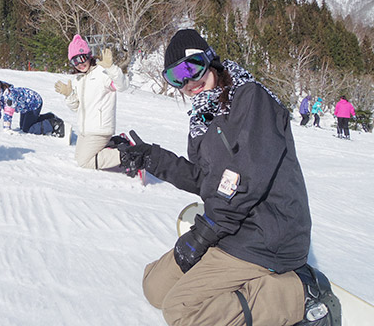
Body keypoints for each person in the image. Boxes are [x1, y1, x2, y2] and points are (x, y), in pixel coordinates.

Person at [117, 29, 339, 326]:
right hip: (230, 229)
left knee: (180, 312)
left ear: (210, 59)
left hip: (266, 235)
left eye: (191, 68)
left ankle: (299, 296)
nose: (187, 83)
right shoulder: (204, 116)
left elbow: (246, 177)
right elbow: (203, 179)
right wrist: (151, 157)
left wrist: (204, 232)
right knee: (155, 287)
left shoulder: (251, 98)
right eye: (175, 77)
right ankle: (242, 289)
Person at [54, 34, 129, 170]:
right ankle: (117, 144)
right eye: (75, 61)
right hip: (86, 130)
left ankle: (127, 154)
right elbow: (76, 107)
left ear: (89, 56)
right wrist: (69, 95)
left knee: (84, 162)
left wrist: (111, 68)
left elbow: (122, 86)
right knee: (78, 157)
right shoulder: (79, 79)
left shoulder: (102, 73)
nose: (80, 64)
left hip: (100, 129)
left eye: (82, 58)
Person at [0, 72, 65, 137]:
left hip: (34, 102)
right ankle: (49, 117)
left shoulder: (9, 93)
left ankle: (54, 124)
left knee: (27, 129)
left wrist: (6, 128)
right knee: (22, 127)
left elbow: (9, 111)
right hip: (24, 107)